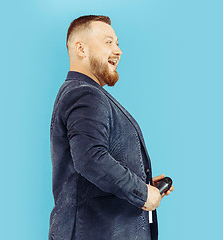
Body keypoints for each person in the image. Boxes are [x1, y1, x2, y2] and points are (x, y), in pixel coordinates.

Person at [48, 15, 174, 240]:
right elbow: (90, 158)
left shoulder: (84, 93)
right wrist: (143, 193)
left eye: (117, 43)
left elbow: (90, 160)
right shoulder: (85, 94)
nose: (118, 51)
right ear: (81, 49)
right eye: (108, 42)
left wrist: (141, 181)